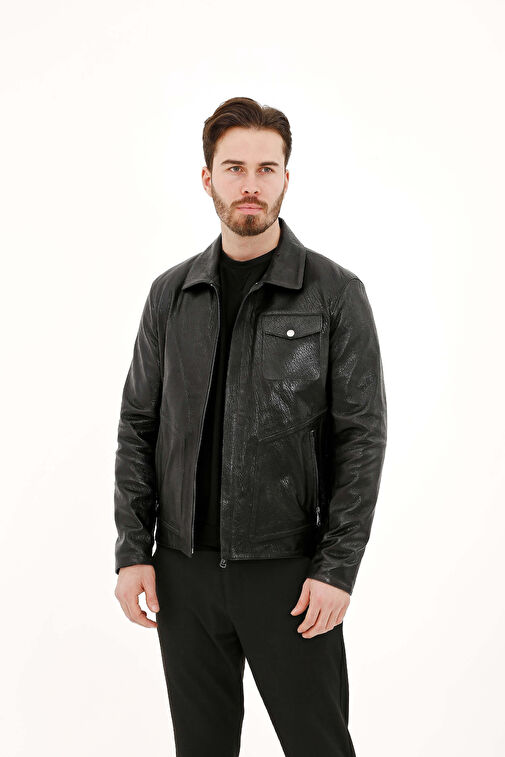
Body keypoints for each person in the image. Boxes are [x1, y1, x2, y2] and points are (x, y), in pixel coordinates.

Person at [113, 96, 387, 756]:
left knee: (319, 745)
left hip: (289, 574)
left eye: (266, 168)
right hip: (182, 573)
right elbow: (139, 425)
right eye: (234, 167)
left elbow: (360, 437)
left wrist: (337, 568)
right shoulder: (171, 294)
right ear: (207, 177)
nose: (251, 184)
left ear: (286, 178)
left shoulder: (333, 293)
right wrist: (133, 551)